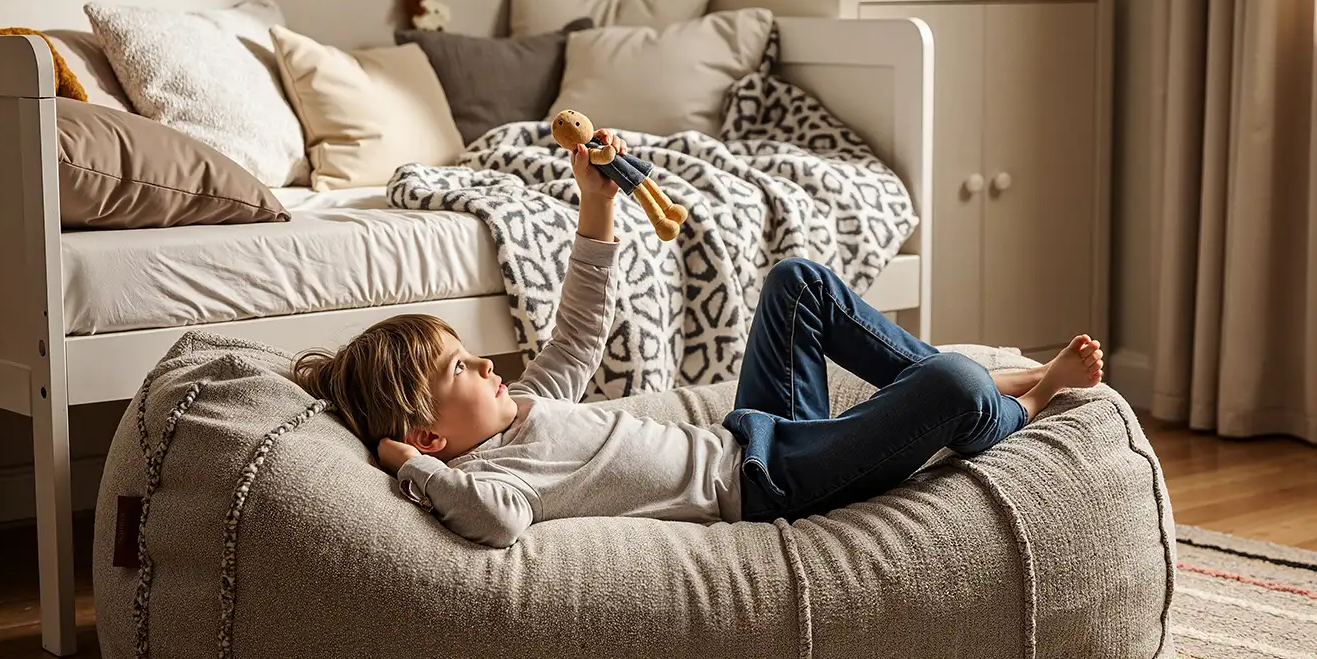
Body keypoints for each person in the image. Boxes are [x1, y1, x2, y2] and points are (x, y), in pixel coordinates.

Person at [292, 127, 1105, 547]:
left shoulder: (528, 402)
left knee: (798, 282)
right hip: (769, 488)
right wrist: (410, 468)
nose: (482, 362)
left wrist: (596, 201)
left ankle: (933, 385)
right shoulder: (493, 476)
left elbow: (579, 328)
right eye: (459, 369)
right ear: (432, 435)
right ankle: (1026, 400)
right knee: (957, 386)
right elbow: (497, 524)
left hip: (751, 434)